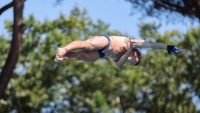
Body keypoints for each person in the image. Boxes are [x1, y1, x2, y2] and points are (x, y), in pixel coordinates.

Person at [54, 35, 185, 68]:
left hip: (102, 53)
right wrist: (169, 47)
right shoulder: (133, 43)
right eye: (134, 61)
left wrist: (127, 52)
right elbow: (151, 44)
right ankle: (64, 49)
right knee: (88, 45)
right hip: (107, 42)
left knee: (83, 56)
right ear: (135, 53)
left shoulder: (120, 60)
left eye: (132, 64)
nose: (131, 63)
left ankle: (62, 57)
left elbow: (118, 65)